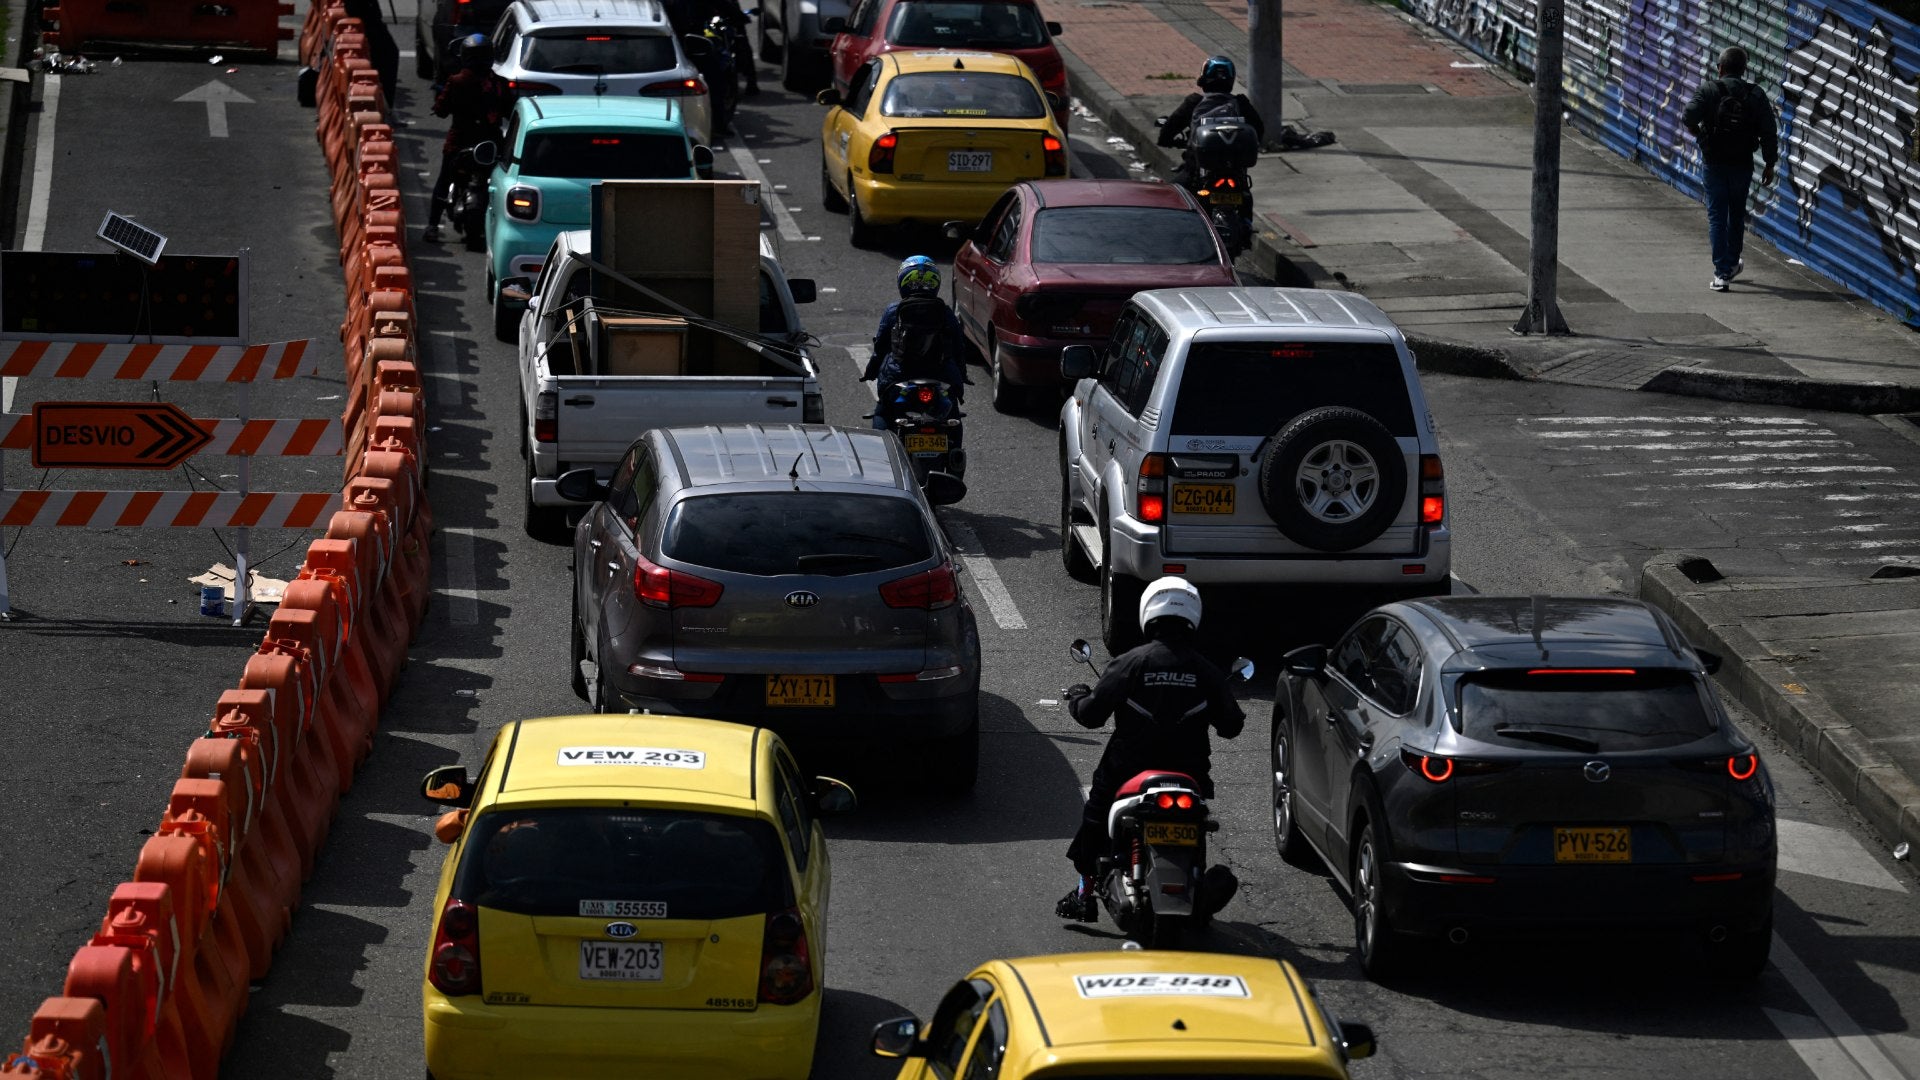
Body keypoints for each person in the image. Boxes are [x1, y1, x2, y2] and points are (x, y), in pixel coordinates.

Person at [1055, 577, 1245, 922]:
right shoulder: (1206, 670)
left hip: (1127, 768)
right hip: (1189, 772)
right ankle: (1194, 882)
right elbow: (1232, 726)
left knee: (1095, 819)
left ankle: (1084, 893)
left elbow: (1091, 716)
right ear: (1193, 616)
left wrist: (1079, 696)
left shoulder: (1130, 663)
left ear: (1148, 614)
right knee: (1199, 821)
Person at [1682, 46, 1779, 292]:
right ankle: (1732, 263)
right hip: (1742, 163)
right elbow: (1769, 131)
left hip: (1714, 162)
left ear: (1720, 68)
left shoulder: (1709, 90)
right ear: (1744, 70)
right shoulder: (1755, 94)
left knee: (1717, 217)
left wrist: (1699, 135)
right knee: (1736, 215)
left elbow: (1688, 116)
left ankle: (1722, 273)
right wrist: (1770, 163)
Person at [861, 256, 967, 428]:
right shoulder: (945, 312)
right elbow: (958, 347)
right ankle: (955, 452)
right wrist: (962, 374)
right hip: (941, 374)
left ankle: (883, 454)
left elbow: (880, 347)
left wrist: (870, 372)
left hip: (900, 373)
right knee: (952, 412)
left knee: (882, 411)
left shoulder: (893, 310)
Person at [422, 34, 505, 244]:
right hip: (491, 144)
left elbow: (441, 109)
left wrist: (439, 104)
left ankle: (432, 225)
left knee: (444, 180)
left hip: (460, 141)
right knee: (501, 180)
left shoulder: (456, 81)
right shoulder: (496, 83)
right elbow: (509, 109)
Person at [1157, 55, 1265, 187]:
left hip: (1196, 170)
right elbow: (1259, 129)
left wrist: (1166, 140)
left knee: (1173, 196)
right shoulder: (1241, 103)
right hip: (1235, 170)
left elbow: (1170, 128)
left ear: (1204, 78)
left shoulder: (1194, 102)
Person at [664, 0, 760, 96]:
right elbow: (724, 6)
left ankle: (751, 81)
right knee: (713, 69)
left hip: (680, 37)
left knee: (739, 39)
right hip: (686, 38)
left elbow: (725, 7)